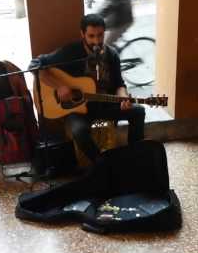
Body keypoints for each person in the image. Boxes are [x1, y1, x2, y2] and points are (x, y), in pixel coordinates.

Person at [31, 14, 145, 163]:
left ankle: (135, 156)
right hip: (78, 109)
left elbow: (119, 83)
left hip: (104, 104)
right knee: (79, 131)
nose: (96, 41)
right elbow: (35, 65)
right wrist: (59, 86)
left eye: (100, 35)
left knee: (138, 111)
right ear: (82, 34)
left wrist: (123, 97)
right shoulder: (71, 52)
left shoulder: (111, 55)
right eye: (91, 36)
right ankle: (101, 163)